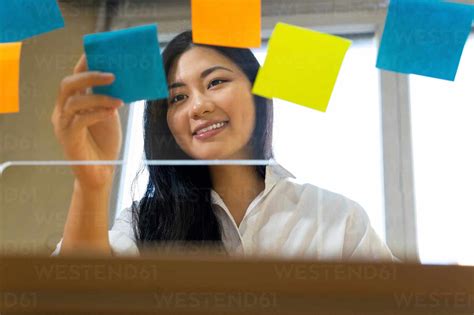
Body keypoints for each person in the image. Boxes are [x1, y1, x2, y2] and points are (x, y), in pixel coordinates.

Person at [51, 30, 398, 261]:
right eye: (178, 98)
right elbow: (77, 295)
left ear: (257, 91)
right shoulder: (143, 224)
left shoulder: (335, 217)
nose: (198, 106)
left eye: (215, 81)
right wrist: (92, 183)